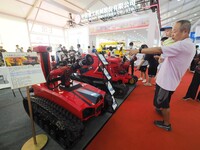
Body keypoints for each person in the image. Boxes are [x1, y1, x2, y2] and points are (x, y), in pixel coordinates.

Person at [129, 20, 196, 131]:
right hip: (166, 79)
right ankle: (161, 110)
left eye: (174, 31)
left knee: (164, 104)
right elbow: (165, 54)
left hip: (167, 81)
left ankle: (166, 124)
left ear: (185, 31)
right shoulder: (186, 44)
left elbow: (160, 49)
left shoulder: (183, 45)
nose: (172, 34)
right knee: (160, 101)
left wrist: (138, 50)